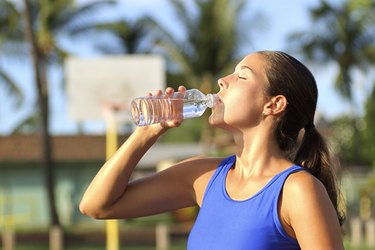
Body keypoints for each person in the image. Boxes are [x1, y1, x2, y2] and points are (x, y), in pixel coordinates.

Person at [80, 51, 345, 249]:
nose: (222, 81)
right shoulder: (204, 176)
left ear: (274, 105)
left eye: (241, 75)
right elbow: (97, 206)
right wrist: (146, 134)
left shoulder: (297, 190)